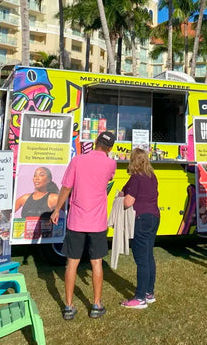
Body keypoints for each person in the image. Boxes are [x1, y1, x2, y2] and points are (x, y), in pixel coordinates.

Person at [50, 131, 116, 320]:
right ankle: (96, 304)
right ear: (110, 148)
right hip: (97, 222)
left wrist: (57, 210)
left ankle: (69, 307)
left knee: (72, 263)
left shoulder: (77, 161)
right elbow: (109, 178)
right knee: (96, 263)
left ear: (95, 142)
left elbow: (66, 187)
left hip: (77, 220)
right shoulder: (110, 163)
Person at [120, 148, 160, 309]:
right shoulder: (152, 176)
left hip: (141, 218)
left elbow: (128, 201)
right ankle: (149, 293)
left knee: (141, 259)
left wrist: (120, 199)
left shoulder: (136, 178)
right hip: (154, 217)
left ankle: (140, 297)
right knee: (149, 255)